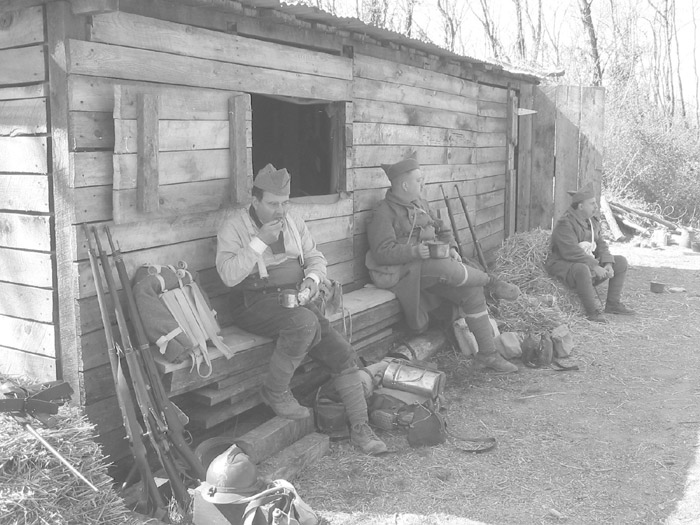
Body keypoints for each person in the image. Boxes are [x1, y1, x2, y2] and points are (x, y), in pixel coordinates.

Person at [216, 164, 387, 455]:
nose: (280, 210)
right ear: (255, 201)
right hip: (253, 302)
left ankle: (360, 429)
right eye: (272, 204)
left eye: (284, 202)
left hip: (295, 299)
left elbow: (314, 256)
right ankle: (275, 390)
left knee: (342, 353)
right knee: (305, 324)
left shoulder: (294, 219)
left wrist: (311, 281)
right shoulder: (234, 226)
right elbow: (229, 275)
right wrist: (259, 242)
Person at [365, 153, 521, 374]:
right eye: (419, 180)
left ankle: (487, 354)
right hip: (405, 272)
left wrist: (454, 249)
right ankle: (491, 282)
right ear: (405, 184)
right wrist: (415, 251)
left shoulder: (420, 204)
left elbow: (443, 229)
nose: (423, 183)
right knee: (445, 268)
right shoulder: (383, 213)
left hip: (431, 266)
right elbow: (381, 253)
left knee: (471, 290)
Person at [545, 183, 635, 323]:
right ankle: (592, 313)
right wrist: (595, 266)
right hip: (564, 265)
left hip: (586, 263)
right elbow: (571, 252)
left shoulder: (592, 222)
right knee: (582, 268)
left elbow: (601, 244)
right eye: (592, 204)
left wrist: (608, 263)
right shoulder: (565, 224)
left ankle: (612, 304)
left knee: (621, 262)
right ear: (581, 206)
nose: (596, 207)